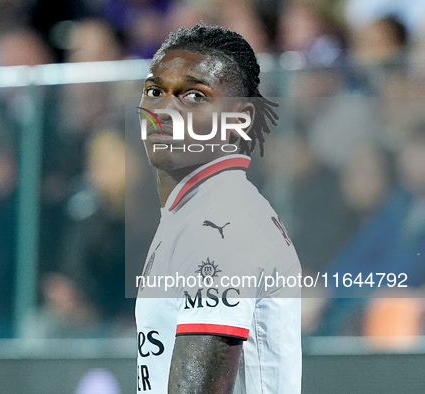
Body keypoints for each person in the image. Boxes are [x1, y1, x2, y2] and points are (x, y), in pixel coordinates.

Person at [134, 23, 301, 393]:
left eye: (193, 95)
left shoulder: (220, 224)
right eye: (154, 90)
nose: (165, 110)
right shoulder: (196, 213)